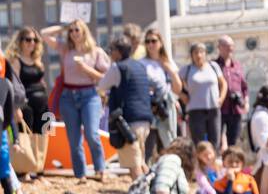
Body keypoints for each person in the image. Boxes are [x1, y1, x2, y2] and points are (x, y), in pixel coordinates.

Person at [41, 19, 109, 180]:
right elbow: (44, 34)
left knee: (92, 134)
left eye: (76, 30)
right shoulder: (66, 49)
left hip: (89, 95)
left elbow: (106, 77)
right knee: (73, 138)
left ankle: (100, 169)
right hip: (68, 96)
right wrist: (63, 27)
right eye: (71, 31)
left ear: (84, 31)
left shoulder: (96, 52)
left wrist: (86, 69)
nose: (73, 33)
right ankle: (81, 174)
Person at [97, 36, 152, 180]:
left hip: (128, 123)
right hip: (145, 120)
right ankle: (151, 189)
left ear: (118, 52)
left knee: (134, 165)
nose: (110, 53)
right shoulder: (139, 66)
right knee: (140, 160)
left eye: (111, 50)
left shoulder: (118, 68)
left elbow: (101, 86)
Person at [7, 28, 48, 179]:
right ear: (20, 41)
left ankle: (38, 169)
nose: (32, 43)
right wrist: (16, 107)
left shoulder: (37, 60)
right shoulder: (16, 61)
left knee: (43, 134)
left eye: (35, 40)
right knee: (25, 135)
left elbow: (40, 81)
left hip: (43, 104)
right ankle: (24, 170)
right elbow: (13, 86)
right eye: (28, 39)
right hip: (26, 105)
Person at [141, 27, 182, 161]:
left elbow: (177, 89)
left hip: (165, 107)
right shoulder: (142, 63)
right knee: (148, 143)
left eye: (153, 41)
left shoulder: (168, 63)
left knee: (169, 142)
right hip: (150, 106)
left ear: (160, 42)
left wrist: (170, 70)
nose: (150, 45)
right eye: (147, 42)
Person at [178, 42, 227, 147]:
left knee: (215, 140)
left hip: (213, 108)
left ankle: (214, 161)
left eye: (201, 52)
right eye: (196, 53)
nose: (199, 55)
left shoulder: (213, 66)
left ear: (205, 54)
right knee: (198, 142)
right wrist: (182, 95)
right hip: (195, 110)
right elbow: (174, 85)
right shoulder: (186, 70)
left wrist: (221, 98)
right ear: (192, 55)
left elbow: (223, 84)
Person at [214, 35, 247, 153]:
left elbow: (244, 87)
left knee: (235, 139)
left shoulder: (237, 66)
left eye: (232, 46)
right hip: (220, 109)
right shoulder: (214, 65)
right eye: (227, 46)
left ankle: (233, 160)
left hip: (236, 109)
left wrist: (245, 102)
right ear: (219, 47)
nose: (230, 49)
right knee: (217, 139)